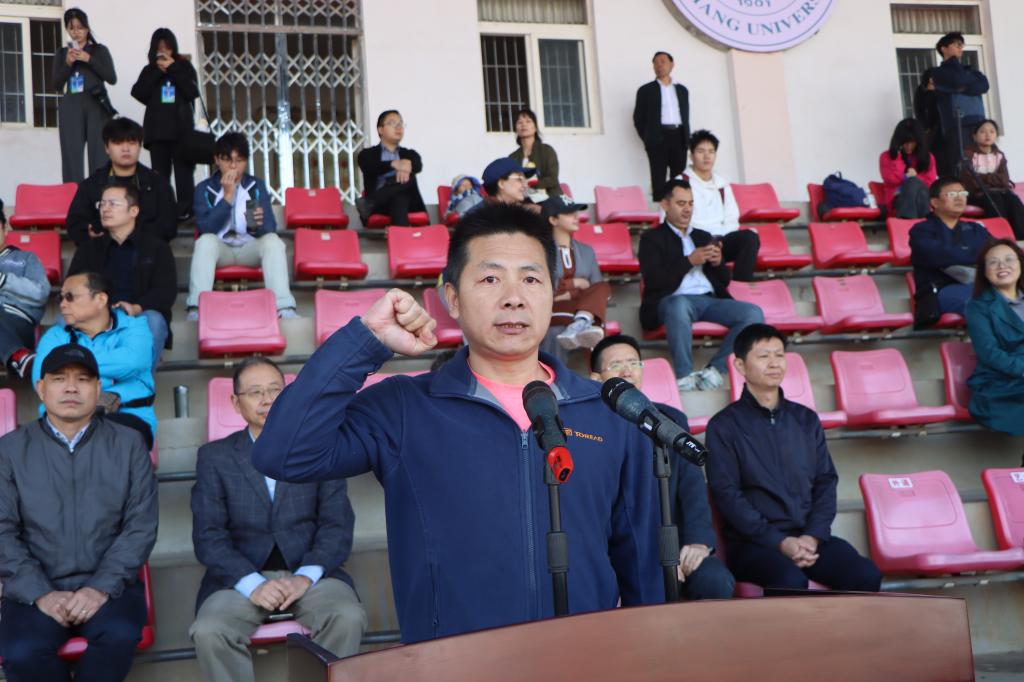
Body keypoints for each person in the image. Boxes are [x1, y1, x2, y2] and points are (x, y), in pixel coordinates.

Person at [252, 203, 663, 643]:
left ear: (551, 292)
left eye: (531, 279)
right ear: (452, 298)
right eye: (490, 279)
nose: (513, 297)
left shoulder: (606, 412)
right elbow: (284, 453)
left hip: (585, 659)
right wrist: (365, 341)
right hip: (451, 664)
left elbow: (642, 562)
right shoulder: (404, 408)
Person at [190, 357, 366, 681]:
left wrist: (305, 577)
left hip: (310, 575)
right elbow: (208, 536)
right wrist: (253, 584)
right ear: (236, 403)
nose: (267, 400)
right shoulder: (215, 457)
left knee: (347, 615)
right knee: (209, 630)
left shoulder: (318, 449)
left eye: (275, 390)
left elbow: (337, 524)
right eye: (255, 392)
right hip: (241, 579)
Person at [0, 344, 158, 682]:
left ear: (98, 389)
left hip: (110, 586)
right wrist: (40, 593)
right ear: (41, 388)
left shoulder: (129, 444)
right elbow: (2, 531)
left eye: (83, 379)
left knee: (118, 636)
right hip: (34, 589)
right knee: (22, 653)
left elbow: (140, 526)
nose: (71, 388)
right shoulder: (10, 450)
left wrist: (99, 588)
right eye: (59, 379)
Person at [706, 323, 882, 592]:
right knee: (789, 582)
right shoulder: (724, 426)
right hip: (754, 543)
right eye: (763, 356)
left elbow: (826, 481)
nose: (774, 363)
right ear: (740, 366)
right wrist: (779, 542)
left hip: (809, 537)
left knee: (865, 575)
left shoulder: (806, 419)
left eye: (779, 355)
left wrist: (813, 536)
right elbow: (727, 494)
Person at [590, 334, 735, 601]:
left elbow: (692, 486)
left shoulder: (669, 419)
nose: (627, 371)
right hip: (616, 551)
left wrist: (698, 542)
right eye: (616, 365)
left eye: (634, 363)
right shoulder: (589, 430)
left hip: (674, 545)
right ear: (596, 378)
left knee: (715, 580)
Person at [638, 179, 764, 391]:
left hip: (709, 300)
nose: (687, 209)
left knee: (753, 313)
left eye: (690, 203)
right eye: (681, 203)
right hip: (673, 301)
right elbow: (654, 281)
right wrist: (689, 261)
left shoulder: (702, 236)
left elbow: (723, 281)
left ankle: (715, 370)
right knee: (677, 305)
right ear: (665, 205)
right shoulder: (651, 238)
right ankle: (684, 375)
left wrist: (718, 262)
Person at [33, 272, 157, 450]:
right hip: (67, 418)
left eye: (70, 297)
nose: (62, 304)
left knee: (108, 441)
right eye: (61, 298)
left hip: (128, 417)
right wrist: (98, 389)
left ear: (100, 299)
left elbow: (133, 362)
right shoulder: (56, 335)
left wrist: (68, 367)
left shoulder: (134, 327)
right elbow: (42, 377)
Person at [187, 132, 297, 320]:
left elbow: (269, 228)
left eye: (239, 160)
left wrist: (257, 224)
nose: (233, 166)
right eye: (227, 160)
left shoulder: (255, 186)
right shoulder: (205, 188)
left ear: (246, 162)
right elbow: (206, 227)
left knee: (272, 241)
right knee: (205, 241)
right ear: (217, 160)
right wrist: (227, 197)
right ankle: (197, 308)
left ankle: (284, 306)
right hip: (221, 250)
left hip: (248, 249)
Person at [67, 184, 177, 368]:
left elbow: (165, 291)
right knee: (64, 319)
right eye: (102, 204)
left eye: (113, 203)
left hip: (138, 315)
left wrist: (136, 308)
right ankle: (88, 379)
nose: (105, 209)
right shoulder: (88, 249)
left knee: (154, 320)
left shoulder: (157, 248)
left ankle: (140, 383)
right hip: (97, 315)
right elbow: (71, 287)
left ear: (133, 211)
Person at [65, 117, 177, 246]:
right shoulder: (91, 185)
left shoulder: (158, 184)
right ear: (107, 148)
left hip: (147, 252)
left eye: (132, 143)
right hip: (103, 251)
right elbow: (75, 224)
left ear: (139, 146)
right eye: (118, 143)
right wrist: (92, 234)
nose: (125, 149)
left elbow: (168, 225)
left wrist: (131, 239)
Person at [131, 28, 199, 222]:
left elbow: (192, 91)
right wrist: (157, 72)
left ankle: (186, 210)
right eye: (159, 48)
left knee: (184, 173)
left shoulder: (183, 66)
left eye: (167, 48)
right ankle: (163, 209)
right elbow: (138, 93)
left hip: (181, 130)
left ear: (173, 49)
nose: (163, 52)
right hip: (157, 132)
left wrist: (173, 69)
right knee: (160, 175)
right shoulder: (150, 70)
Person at [681, 129, 759, 281]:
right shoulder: (680, 183)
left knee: (750, 237)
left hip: (720, 240)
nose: (706, 156)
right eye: (701, 151)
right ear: (691, 156)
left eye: (711, 151)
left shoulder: (722, 185)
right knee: (704, 242)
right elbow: (673, 221)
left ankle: (742, 285)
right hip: (694, 242)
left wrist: (719, 240)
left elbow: (732, 218)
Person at [909, 177, 992, 318]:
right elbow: (941, 256)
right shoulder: (921, 230)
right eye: (952, 194)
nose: (959, 198)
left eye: (963, 193)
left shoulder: (976, 229)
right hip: (941, 289)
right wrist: (976, 253)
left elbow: (997, 252)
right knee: (981, 302)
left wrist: (962, 253)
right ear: (934, 202)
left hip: (979, 284)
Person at [965, 239, 1024, 436]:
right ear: (984, 271)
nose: (1002, 266)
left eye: (1009, 259)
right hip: (1001, 382)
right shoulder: (977, 307)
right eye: (993, 262)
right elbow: (989, 352)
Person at [52, 7, 117, 184]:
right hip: (71, 106)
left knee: (99, 155)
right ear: (67, 29)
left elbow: (111, 78)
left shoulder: (99, 50)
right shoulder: (62, 53)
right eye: (71, 28)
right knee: (71, 156)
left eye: (80, 27)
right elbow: (56, 85)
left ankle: (100, 195)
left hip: (96, 104)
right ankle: (74, 195)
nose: (76, 32)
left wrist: (89, 59)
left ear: (87, 28)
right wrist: (67, 64)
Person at [544, 194, 609, 351]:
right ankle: (583, 322)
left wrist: (569, 290)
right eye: (569, 213)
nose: (576, 217)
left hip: (580, 307)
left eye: (576, 212)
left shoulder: (587, 251)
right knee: (558, 332)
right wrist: (577, 284)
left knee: (604, 287)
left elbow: (596, 287)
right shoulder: (541, 250)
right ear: (553, 220)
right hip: (552, 309)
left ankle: (581, 321)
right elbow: (544, 289)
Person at [633, 51, 690, 200]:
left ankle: (678, 207)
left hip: (679, 136)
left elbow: (685, 115)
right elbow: (638, 118)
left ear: (672, 65)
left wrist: (686, 138)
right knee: (658, 177)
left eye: (663, 62)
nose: (659, 65)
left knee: (679, 177)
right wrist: (648, 137)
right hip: (658, 137)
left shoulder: (682, 90)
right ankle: (660, 209)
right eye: (656, 63)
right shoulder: (646, 90)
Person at [932, 31, 989, 176]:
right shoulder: (938, 72)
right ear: (943, 48)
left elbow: (984, 86)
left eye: (961, 45)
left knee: (983, 162)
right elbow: (958, 80)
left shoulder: (971, 71)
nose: (960, 47)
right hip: (956, 123)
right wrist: (954, 63)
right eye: (956, 44)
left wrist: (962, 86)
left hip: (979, 122)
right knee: (962, 165)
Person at [356, 110, 426, 227]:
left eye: (400, 123)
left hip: (409, 204)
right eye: (392, 123)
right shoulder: (367, 154)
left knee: (408, 181)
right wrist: (394, 164)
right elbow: (369, 166)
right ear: (380, 130)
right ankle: (402, 238)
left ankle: (370, 202)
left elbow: (418, 166)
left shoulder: (409, 154)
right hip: (380, 207)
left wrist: (405, 166)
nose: (398, 127)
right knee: (400, 197)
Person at [0, 217, 49, 379]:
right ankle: (18, 358)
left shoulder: (26, 258)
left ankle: (18, 355)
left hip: (17, 321)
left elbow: (41, 293)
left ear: (4, 229)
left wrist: (4, 280)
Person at [960, 119, 1024, 239]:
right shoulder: (968, 155)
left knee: (1013, 200)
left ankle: (1021, 237)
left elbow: (1004, 179)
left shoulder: (999, 155)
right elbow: (972, 181)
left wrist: (983, 177)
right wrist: (993, 179)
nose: (988, 135)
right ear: (974, 136)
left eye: (992, 131)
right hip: (977, 194)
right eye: (983, 132)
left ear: (996, 135)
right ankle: (1002, 237)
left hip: (1000, 191)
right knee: (995, 199)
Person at [879, 118, 938, 219]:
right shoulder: (886, 157)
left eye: (912, 142)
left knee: (920, 191)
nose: (909, 146)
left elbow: (931, 183)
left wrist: (915, 177)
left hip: (922, 198)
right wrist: (897, 157)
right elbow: (892, 180)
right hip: (897, 198)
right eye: (905, 142)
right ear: (898, 141)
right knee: (914, 184)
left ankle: (907, 221)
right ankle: (925, 223)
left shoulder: (928, 157)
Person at [509, 108, 561, 200]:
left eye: (528, 121)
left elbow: (553, 179)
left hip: (550, 198)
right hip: (523, 200)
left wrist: (530, 184)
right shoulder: (513, 157)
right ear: (516, 129)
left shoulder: (547, 150)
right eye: (519, 122)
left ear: (535, 127)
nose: (524, 125)